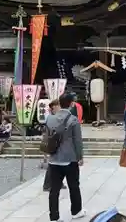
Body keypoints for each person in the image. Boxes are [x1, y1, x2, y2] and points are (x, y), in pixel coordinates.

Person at [46, 93, 86, 222]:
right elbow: (77, 141)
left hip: (54, 158)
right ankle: (76, 211)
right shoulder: (73, 120)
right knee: (74, 186)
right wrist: (80, 156)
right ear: (71, 104)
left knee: (54, 190)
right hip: (69, 158)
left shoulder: (50, 119)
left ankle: (54, 217)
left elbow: (47, 138)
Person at [43, 99, 67, 192]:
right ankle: (47, 184)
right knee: (52, 165)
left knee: (60, 164)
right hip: (54, 143)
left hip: (60, 143)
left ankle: (58, 182)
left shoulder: (57, 116)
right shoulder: (52, 117)